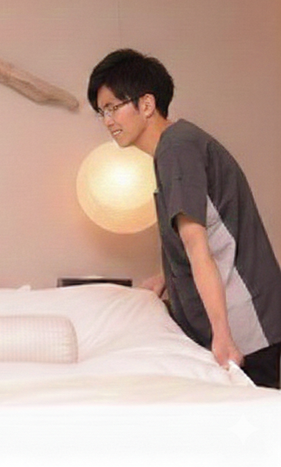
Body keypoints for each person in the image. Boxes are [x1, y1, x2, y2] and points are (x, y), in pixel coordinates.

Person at [87, 48, 281, 388]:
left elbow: (197, 245)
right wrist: (165, 277)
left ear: (146, 104)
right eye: (101, 112)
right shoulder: (177, 146)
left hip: (246, 329)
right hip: (246, 323)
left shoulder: (176, 149)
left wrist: (222, 336)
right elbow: (208, 226)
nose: (107, 121)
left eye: (113, 107)